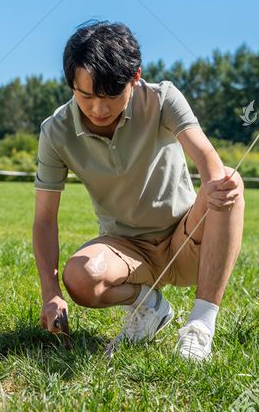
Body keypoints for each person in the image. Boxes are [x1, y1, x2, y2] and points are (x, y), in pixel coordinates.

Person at [33, 21, 244, 361]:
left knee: (228, 179)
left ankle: (201, 327)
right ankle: (151, 308)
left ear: (134, 77)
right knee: (81, 278)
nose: (99, 109)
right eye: (86, 96)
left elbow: (206, 156)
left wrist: (218, 187)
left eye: (110, 96)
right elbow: (44, 220)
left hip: (185, 241)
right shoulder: (55, 132)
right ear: (71, 84)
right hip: (127, 251)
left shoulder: (162, 98)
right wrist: (51, 292)